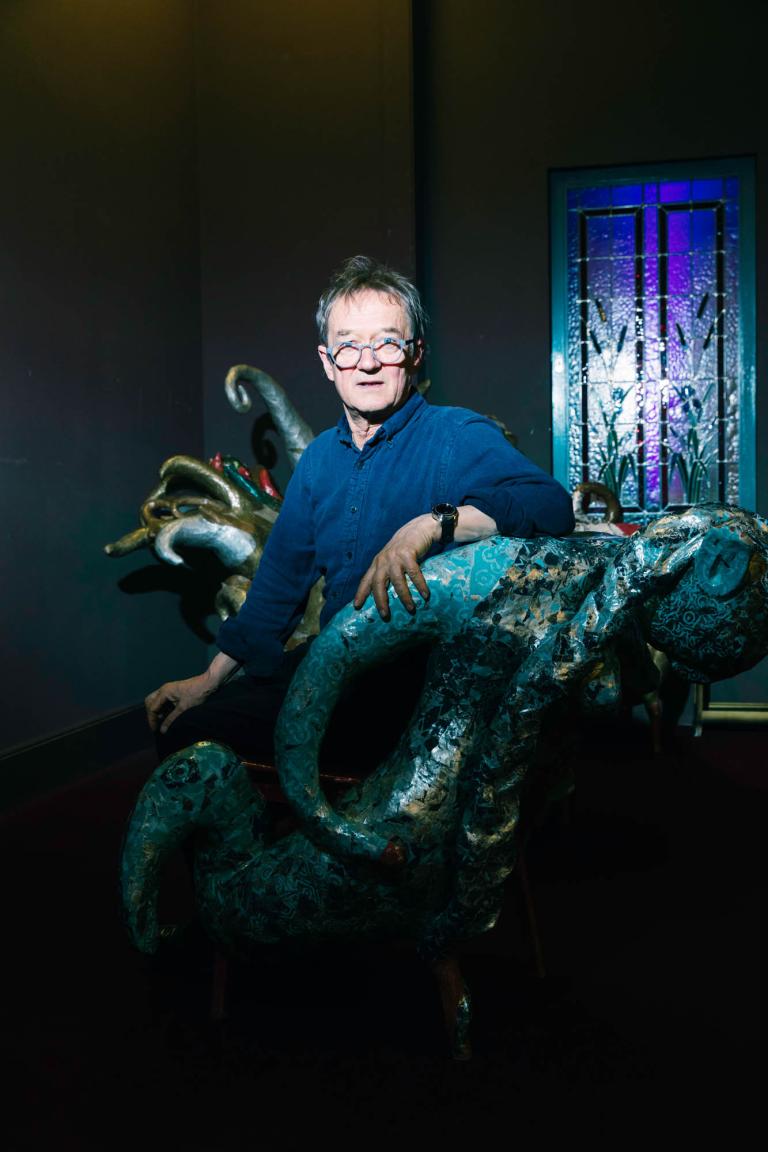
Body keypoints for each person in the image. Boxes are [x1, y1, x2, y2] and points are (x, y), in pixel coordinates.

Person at [146, 255, 574, 765]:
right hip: (333, 665)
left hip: (418, 683)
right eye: (349, 346)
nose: (367, 363)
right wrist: (208, 681)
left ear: (415, 355)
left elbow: (550, 506)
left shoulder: (455, 435)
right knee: (190, 732)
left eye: (387, 343)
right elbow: (275, 593)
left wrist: (434, 522)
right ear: (328, 363)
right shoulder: (320, 460)